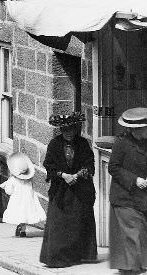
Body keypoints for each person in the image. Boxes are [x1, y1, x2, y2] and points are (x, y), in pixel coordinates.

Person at [109, 107, 147, 275]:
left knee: (143, 233)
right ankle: (131, 269)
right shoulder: (121, 143)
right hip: (125, 196)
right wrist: (134, 180)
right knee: (134, 233)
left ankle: (134, 268)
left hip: (144, 197)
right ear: (137, 130)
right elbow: (113, 167)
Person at [39, 112, 97, 267]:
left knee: (78, 222)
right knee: (59, 223)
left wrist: (77, 175)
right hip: (61, 191)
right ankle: (58, 257)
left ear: (76, 129)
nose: (69, 133)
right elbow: (49, 165)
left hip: (79, 190)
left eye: (71, 129)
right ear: (61, 131)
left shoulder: (83, 144)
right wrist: (63, 175)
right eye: (65, 130)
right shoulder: (54, 144)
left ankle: (78, 256)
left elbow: (89, 164)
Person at [1, 152, 46, 236]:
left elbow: (9, 191)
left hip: (17, 200)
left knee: (19, 214)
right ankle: (23, 230)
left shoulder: (13, 180)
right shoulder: (29, 180)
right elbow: (31, 189)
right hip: (28, 200)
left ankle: (20, 226)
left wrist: (5, 186)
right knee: (25, 214)